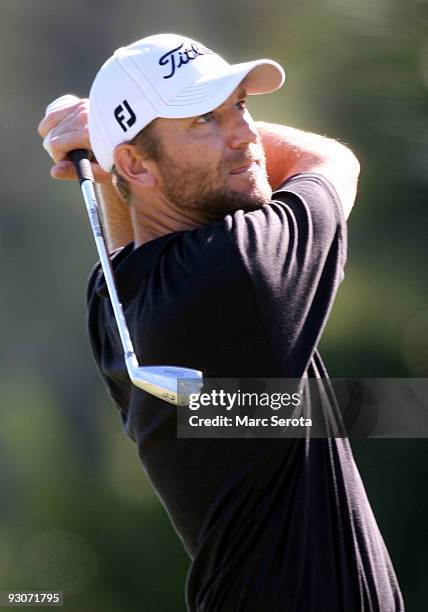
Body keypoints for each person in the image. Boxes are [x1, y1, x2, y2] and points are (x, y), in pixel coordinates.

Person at [38, 33, 404, 612]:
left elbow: (131, 223)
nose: (247, 134)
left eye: (241, 106)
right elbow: (329, 160)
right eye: (204, 118)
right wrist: (104, 137)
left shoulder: (116, 301)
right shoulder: (241, 266)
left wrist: (110, 150)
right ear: (137, 162)